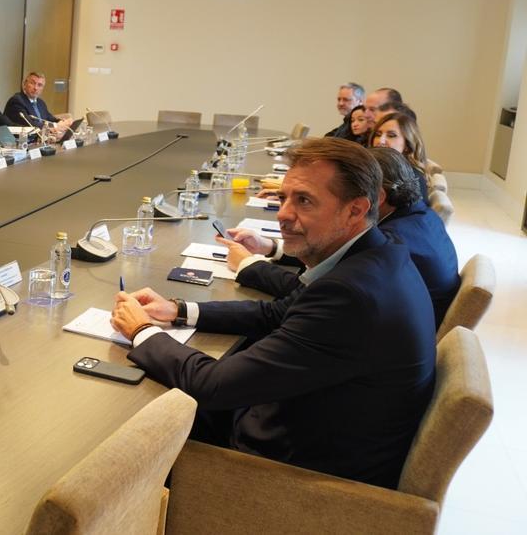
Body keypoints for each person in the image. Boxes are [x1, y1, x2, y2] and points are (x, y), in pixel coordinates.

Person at [111, 137, 436, 489]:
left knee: (128, 428)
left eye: (304, 201)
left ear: (356, 210)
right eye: (284, 198)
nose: (283, 214)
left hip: (292, 479)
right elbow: (277, 314)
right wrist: (177, 310)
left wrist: (142, 330)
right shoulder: (378, 255)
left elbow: (214, 386)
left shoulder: (351, 295)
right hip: (317, 429)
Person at [220, 147, 460, 328]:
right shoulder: (419, 215)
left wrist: (248, 264)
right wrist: (271, 247)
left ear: (375, 197)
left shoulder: (391, 242)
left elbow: (315, 289)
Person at [370, 109, 429, 197]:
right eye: (378, 134)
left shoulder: (413, 180)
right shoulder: (374, 168)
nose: (380, 141)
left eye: (391, 135)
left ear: (407, 145)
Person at [3, 72, 72, 141]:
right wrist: (56, 126)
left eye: (39, 85)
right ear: (24, 84)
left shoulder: (40, 103)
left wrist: (63, 122)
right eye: (32, 83)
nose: (35, 88)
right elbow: (30, 124)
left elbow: (50, 119)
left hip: (41, 140)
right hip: (21, 142)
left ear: (42, 88)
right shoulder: (17, 101)